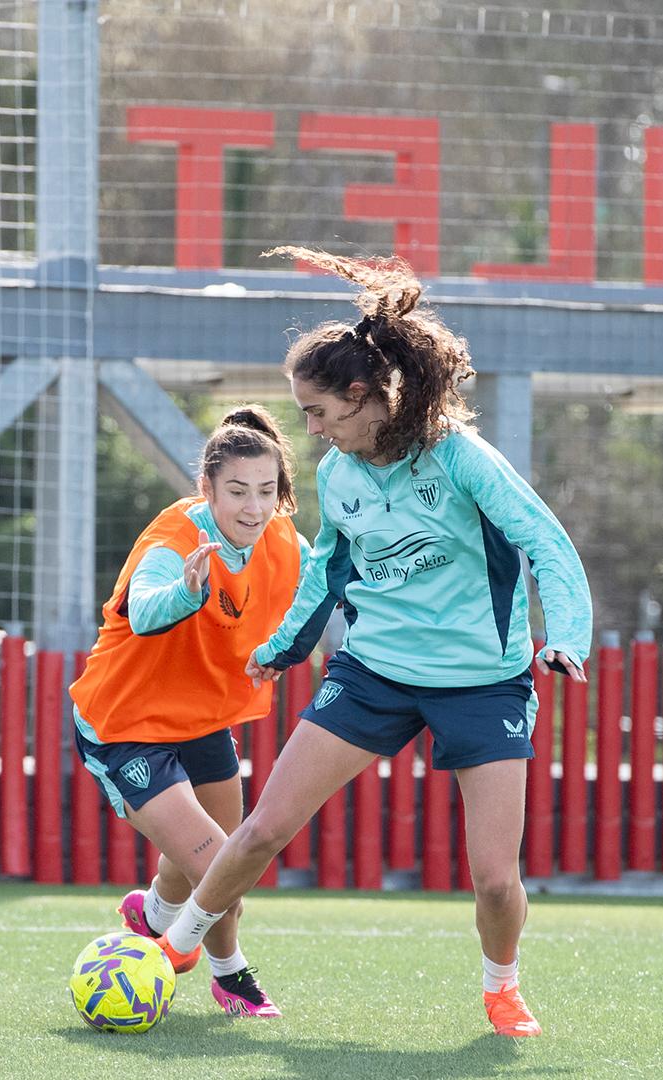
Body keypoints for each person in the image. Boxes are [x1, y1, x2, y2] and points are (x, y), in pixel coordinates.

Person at [155, 248, 592, 1037]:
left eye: (318, 412)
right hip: (373, 674)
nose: (311, 429)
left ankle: (501, 986)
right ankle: (172, 950)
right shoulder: (341, 473)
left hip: (483, 682)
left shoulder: (462, 460)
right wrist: (284, 648)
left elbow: (549, 546)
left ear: (362, 397)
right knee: (262, 829)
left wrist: (566, 635)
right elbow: (328, 568)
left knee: (496, 881)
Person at [67, 406, 309, 1018]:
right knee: (220, 865)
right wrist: (187, 592)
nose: (253, 508)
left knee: (216, 857)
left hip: (203, 719)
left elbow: (329, 586)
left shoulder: (285, 540)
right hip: (124, 724)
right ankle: (229, 974)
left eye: (266, 491)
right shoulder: (174, 538)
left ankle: (152, 915)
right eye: (237, 491)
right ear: (207, 489)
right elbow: (146, 608)